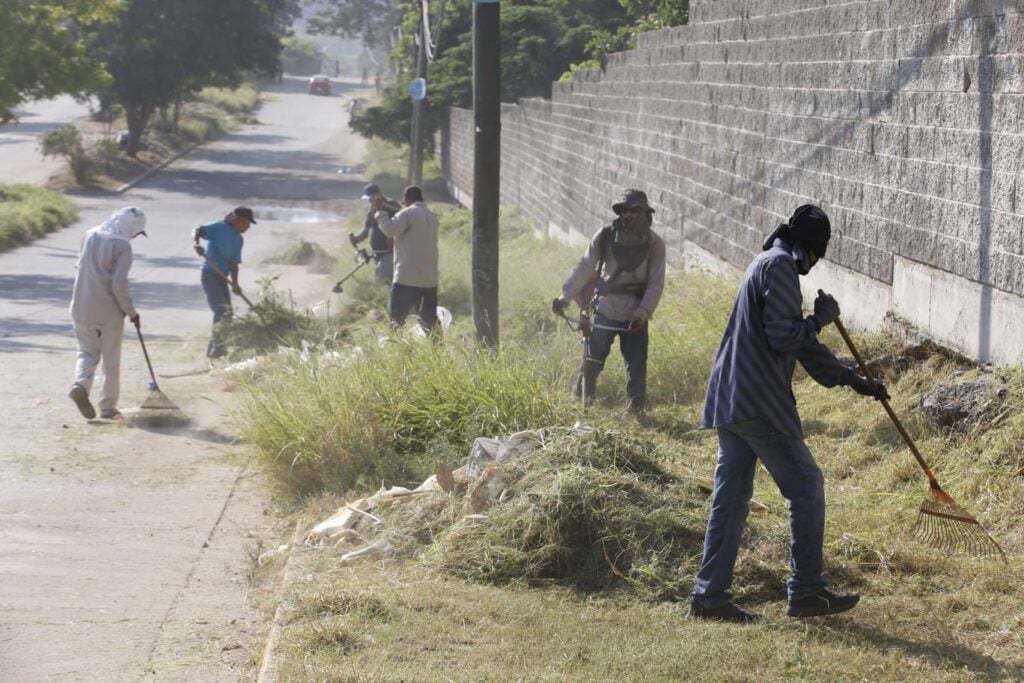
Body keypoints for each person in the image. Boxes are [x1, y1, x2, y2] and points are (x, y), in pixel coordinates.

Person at [690, 204, 890, 623]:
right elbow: (786, 337)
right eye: (819, 253)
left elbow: (802, 346)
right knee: (806, 485)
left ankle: (709, 598)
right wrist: (819, 318)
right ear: (810, 248)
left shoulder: (765, 262)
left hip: (731, 398)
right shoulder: (781, 267)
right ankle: (806, 592)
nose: (815, 264)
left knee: (729, 501)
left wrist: (855, 381)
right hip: (758, 401)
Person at [551, 188, 666, 413]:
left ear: (645, 214)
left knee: (636, 368)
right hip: (604, 310)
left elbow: (656, 283)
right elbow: (585, 266)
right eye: (625, 211)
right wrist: (564, 297)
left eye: (634, 211)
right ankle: (583, 408)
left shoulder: (655, 244)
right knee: (591, 364)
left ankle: (637, 415)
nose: (629, 216)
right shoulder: (604, 236)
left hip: (635, 318)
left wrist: (642, 314)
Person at [68, 206, 148, 421]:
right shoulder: (122, 245)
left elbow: (79, 266)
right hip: (108, 312)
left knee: (86, 353)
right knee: (110, 360)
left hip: (80, 307)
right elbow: (118, 284)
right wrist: (131, 312)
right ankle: (107, 407)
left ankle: (80, 385)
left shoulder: (90, 234)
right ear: (132, 228)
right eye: (137, 233)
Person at [192, 207, 256, 358]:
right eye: (247, 223)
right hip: (210, 275)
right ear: (239, 220)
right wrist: (197, 243)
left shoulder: (239, 239)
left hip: (222, 277)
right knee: (221, 311)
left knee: (228, 313)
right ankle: (218, 348)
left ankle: (215, 348)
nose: (248, 227)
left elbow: (234, 263)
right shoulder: (220, 228)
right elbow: (198, 229)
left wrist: (235, 284)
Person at [374, 185, 439, 332]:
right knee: (430, 322)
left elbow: (390, 230)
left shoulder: (408, 213)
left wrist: (379, 212)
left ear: (406, 199)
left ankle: (396, 351)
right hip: (429, 279)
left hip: (407, 278)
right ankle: (438, 350)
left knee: (396, 322)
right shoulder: (431, 216)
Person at [350, 183, 401, 285]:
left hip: (390, 252)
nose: (369, 200)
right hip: (378, 253)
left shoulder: (392, 205)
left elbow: (400, 225)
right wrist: (357, 239)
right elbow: (368, 228)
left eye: (370, 197)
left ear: (378, 194)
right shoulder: (372, 209)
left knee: (381, 280)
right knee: (385, 282)